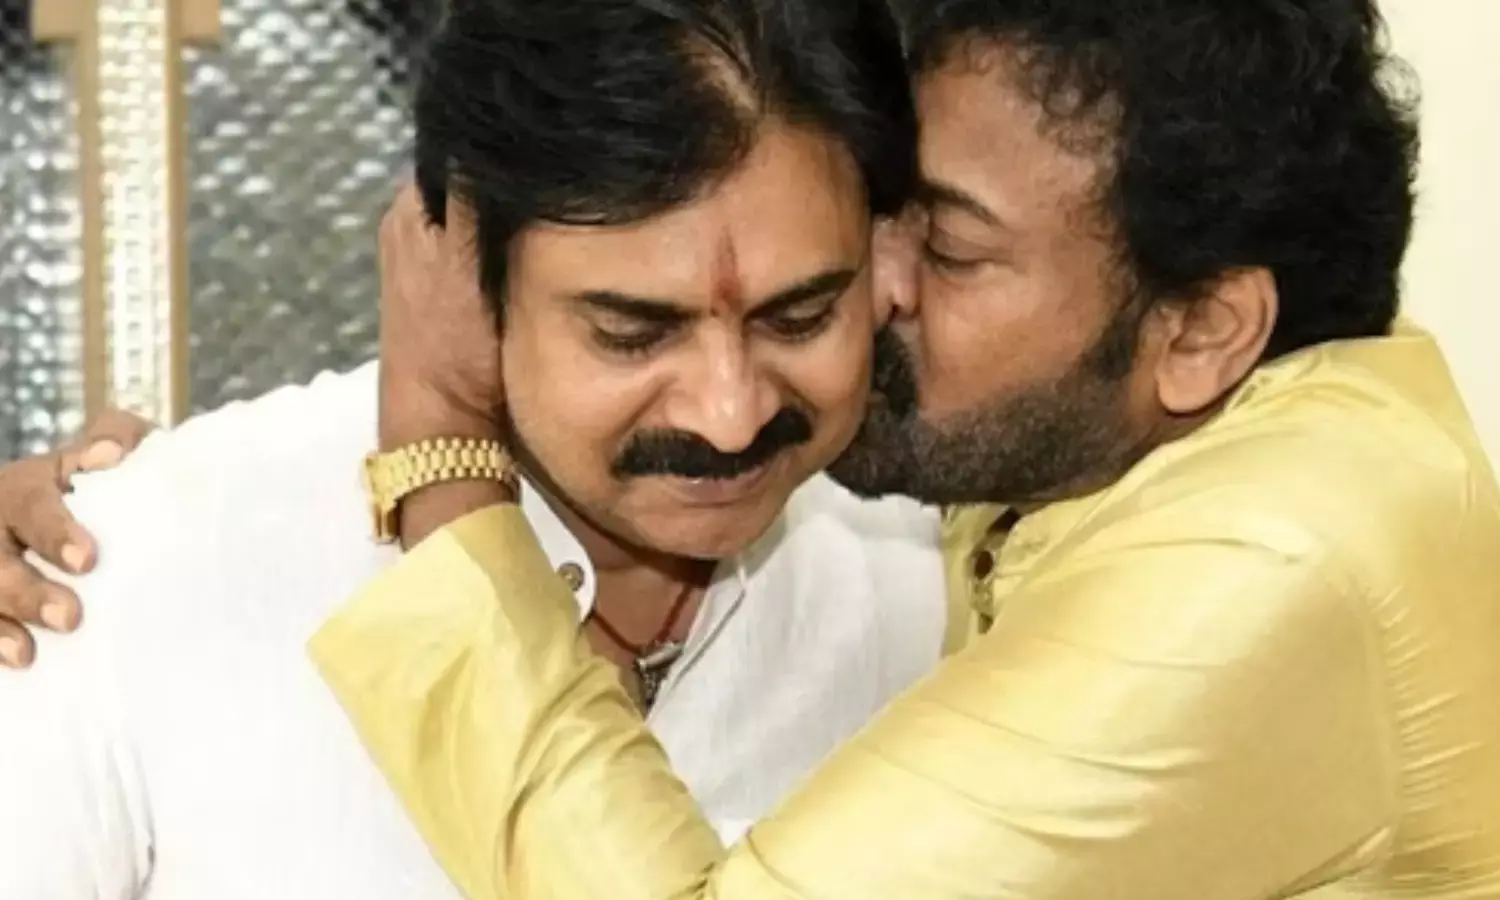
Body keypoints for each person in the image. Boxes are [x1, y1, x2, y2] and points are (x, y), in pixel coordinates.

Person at [303, 0, 1496, 898]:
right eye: (885, 214)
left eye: (954, 252)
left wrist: (441, 445)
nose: (872, 287)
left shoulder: (1268, 557)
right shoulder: (1123, 449)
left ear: (1200, 332)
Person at [0, 0, 963, 895]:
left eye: (800, 318)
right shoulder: (129, 575)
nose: (730, 415)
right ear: (458, 263)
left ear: (888, 254)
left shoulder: (943, 591)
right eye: (632, 334)